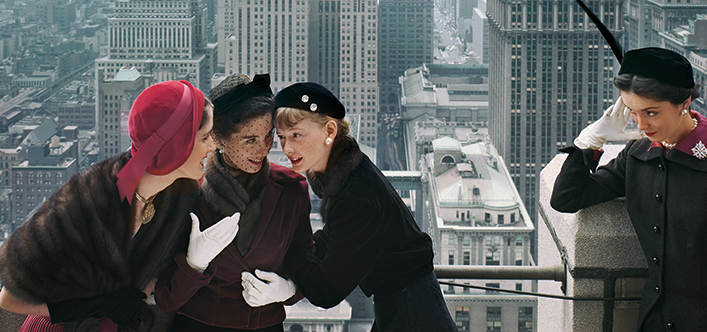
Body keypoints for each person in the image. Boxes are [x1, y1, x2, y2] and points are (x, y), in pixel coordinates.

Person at [550, 47, 707, 331]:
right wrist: (592, 138)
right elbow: (566, 198)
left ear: (684, 101)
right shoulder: (637, 156)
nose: (642, 125)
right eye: (632, 112)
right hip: (651, 322)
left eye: (651, 112)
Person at [0, 79, 240, 332]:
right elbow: (10, 298)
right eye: (205, 137)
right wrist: (101, 305)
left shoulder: (181, 198)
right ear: (175, 145)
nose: (213, 147)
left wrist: (195, 263)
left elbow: (164, 291)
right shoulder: (90, 201)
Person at [247, 82, 457, 332]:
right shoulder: (348, 171)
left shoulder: (356, 196)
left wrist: (288, 247)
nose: (287, 148)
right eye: (281, 137)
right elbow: (338, 237)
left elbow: (326, 292)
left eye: (297, 135)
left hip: (412, 313)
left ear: (330, 130)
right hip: (406, 303)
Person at [154, 73, 313, 332]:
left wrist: (288, 291)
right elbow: (165, 299)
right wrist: (194, 265)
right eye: (249, 140)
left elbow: (307, 268)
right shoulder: (184, 193)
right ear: (217, 138)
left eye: (268, 136)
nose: (263, 150)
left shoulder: (292, 191)